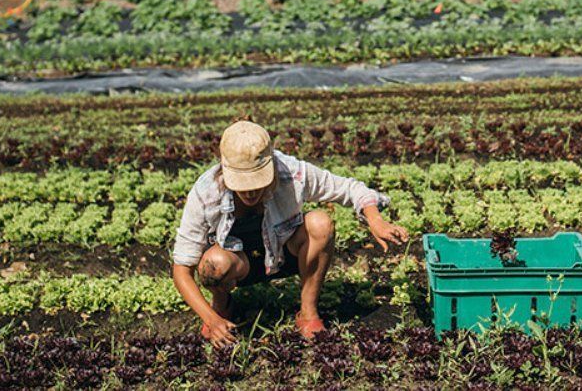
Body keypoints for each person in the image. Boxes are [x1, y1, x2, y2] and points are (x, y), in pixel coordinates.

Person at [171, 121, 408, 346]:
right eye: (243, 183)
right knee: (212, 264)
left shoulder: (291, 173)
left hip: (284, 254)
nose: (251, 191)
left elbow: (350, 188)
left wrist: (375, 220)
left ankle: (308, 312)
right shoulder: (205, 193)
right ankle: (222, 307)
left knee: (320, 223)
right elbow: (182, 269)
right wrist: (210, 319)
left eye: (257, 180)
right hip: (237, 265)